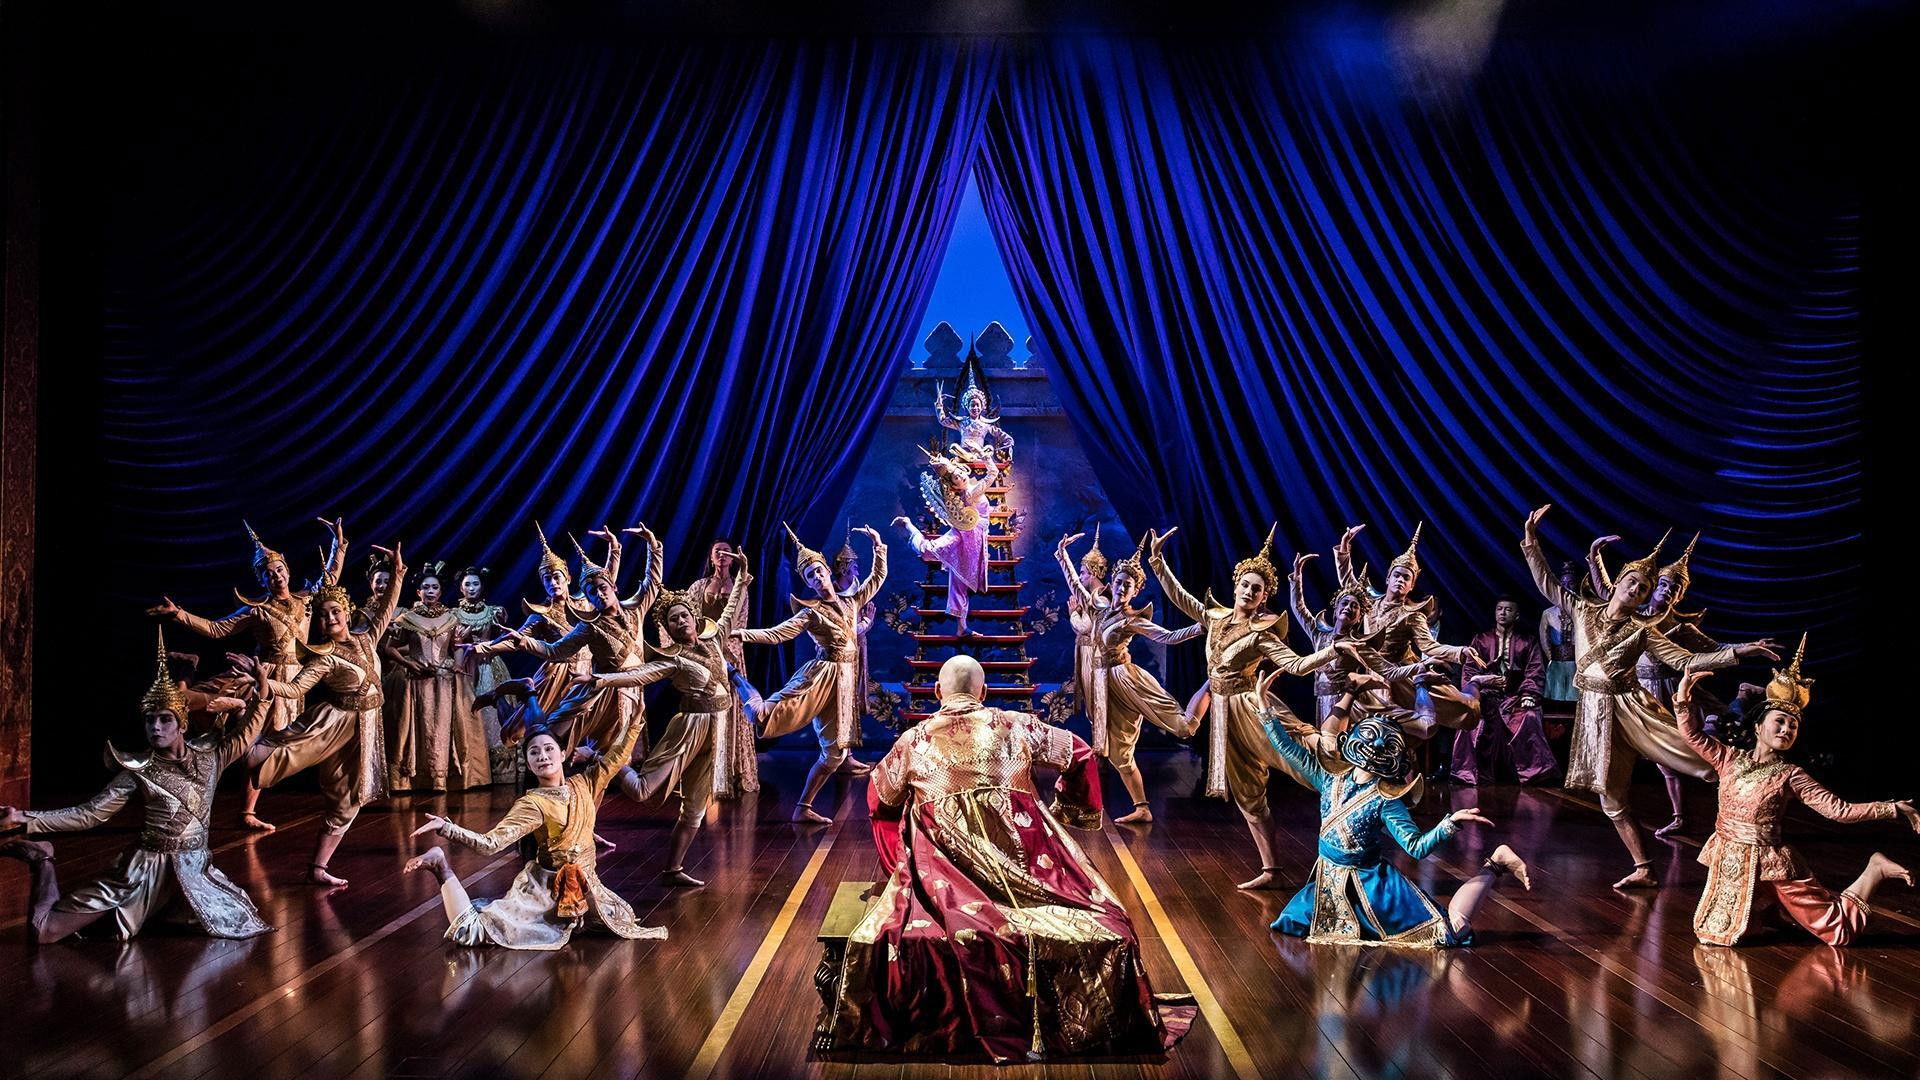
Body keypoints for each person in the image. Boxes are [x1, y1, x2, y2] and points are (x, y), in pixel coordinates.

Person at [825, 656, 1196, 1061]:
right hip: (1029, 873)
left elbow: (879, 799)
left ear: (936, 692)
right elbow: (1081, 753)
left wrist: (900, 857)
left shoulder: (913, 742)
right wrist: (1068, 810)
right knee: (1109, 921)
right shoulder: (1018, 725)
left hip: (945, 882)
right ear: (984, 692)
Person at [1521, 504, 1779, 888]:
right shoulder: (1582, 607)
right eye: (1633, 583)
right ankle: (1644, 867)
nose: (1637, 590)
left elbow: (1687, 659)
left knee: (1699, 760)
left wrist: (1742, 650)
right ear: (1619, 581)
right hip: (1593, 711)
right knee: (1611, 799)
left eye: (1643, 588)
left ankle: (1754, 797)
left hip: (1630, 707)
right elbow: (1546, 582)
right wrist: (1531, 539)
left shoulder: (1644, 630)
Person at [0, 630, 275, 942]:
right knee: (45, 932)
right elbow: (89, 814)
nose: (155, 727)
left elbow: (247, 732)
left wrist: (262, 685)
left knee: (237, 922)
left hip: (194, 870)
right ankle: (41, 859)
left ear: (182, 724)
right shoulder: (138, 771)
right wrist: (25, 818)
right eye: (149, 720)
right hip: (143, 871)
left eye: (164, 719)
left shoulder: (211, 755)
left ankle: (162, 909)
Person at [1145, 524, 1356, 890]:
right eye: (1245, 584)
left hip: (1251, 707)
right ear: (1236, 585)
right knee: (1248, 792)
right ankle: (1271, 869)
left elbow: (1296, 665)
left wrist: (1332, 649)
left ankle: (1353, 794)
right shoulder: (1215, 617)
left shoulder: (1263, 633)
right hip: (1223, 715)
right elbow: (1181, 598)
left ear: (1263, 597)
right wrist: (1158, 561)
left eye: (1256, 589)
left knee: (1302, 757)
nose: (1249, 591)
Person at [1259, 674, 1532, 947]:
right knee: (1290, 923)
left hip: (1372, 888)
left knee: (1450, 930)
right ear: (1352, 738)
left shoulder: (1387, 799)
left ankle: (1495, 863)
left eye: (1387, 744)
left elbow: (1415, 847)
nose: (1377, 745)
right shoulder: (1330, 778)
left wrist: (1450, 823)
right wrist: (1265, 708)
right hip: (1329, 881)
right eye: (1371, 736)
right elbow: (1288, 750)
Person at [1677, 644, 1918, 946]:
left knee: (1838, 933)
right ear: (1758, 726)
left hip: (1770, 863)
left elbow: (1838, 810)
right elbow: (1692, 735)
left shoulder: (1791, 775)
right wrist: (1683, 698)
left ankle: (1875, 869)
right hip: (1731, 858)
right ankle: (1770, 913)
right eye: (1779, 721)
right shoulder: (1729, 758)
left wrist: (1891, 808)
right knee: (1720, 933)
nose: (1786, 729)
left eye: (1793, 726)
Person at [402, 713, 668, 949]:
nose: (543, 756)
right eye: (534, 752)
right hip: (547, 892)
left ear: (563, 754)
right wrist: (448, 828)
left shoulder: (584, 783)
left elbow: (615, 759)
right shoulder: (532, 804)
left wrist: (635, 723)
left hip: (587, 887)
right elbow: (490, 844)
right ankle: (440, 866)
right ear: (528, 763)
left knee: (618, 921)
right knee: (470, 932)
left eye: (549, 749)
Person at [148, 517, 347, 828]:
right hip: (263, 678)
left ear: (288, 570)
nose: (276, 576)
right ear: (262, 580)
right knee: (250, 743)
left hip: (295, 681)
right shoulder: (257, 610)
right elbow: (216, 629)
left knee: (270, 746)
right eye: (269, 574)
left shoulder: (306, 600)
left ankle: (248, 811)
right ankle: (243, 811)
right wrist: (179, 614)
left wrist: (339, 545)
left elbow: (330, 579)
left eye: (279, 570)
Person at [577, 550, 754, 886]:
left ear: (694, 617)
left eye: (684, 615)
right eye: (673, 620)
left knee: (695, 809)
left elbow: (731, 608)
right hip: (690, 728)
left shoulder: (715, 638)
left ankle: (673, 869)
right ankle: (601, 755)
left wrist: (742, 576)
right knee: (642, 791)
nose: (681, 621)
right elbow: (639, 674)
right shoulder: (672, 658)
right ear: (669, 630)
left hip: (718, 729)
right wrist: (600, 679)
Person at [245, 543, 407, 885]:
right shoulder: (323, 655)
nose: (330, 618)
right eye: (322, 615)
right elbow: (295, 689)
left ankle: (318, 869)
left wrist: (396, 572)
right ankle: (219, 755)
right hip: (332, 723)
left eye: (335, 611)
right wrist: (264, 682)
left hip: (364, 730)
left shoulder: (367, 638)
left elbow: (388, 607)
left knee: (348, 801)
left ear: (346, 612)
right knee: (276, 751)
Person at [737, 524, 887, 823]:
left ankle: (803, 807)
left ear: (828, 571)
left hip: (845, 681)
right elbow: (778, 633)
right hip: (821, 678)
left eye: (819, 571)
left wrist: (878, 545)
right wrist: (743, 634)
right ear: (808, 582)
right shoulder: (810, 611)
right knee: (764, 715)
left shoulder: (851, 601)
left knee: (834, 755)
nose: (817, 578)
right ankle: (736, 679)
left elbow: (877, 577)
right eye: (810, 576)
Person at [1054, 531, 1202, 823]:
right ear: (1111, 584)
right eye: (1119, 582)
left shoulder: (1133, 620)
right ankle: (1142, 808)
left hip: (1126, 680)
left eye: (1128, 585)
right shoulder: (1100, 607)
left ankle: (1210, 688)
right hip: (1103, 684)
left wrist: (1199, 628)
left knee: (1183, 728)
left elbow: (1169, 637)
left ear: (1135, 591)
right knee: (1119, 755)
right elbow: (1076, 586)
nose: (1122, 588)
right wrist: (1062, 555)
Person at [384, 561, 490, 792]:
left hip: (444, 680)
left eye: (434, 588)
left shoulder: (450, 619)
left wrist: (458, 665)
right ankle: (412, 778)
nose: (430, 591)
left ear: (441, 592)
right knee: (417, 727)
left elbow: (457, 645)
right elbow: (390, 648)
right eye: (426, 588)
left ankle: (443, 778)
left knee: (444, 728)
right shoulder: (407, 619)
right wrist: (408, 663)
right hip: (416, 680)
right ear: (418, 592)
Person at [1455, 596, 1559, 785]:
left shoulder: (1527, 642)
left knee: (1528, 717)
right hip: (1485, 695)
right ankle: (1469, 772)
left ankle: (1531, 773)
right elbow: (1469, 670)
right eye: (1500, 609)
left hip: (1515, 696)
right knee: (1470, 720)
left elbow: (1535, 670)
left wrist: (1529, 694)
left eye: (1508, 609)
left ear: (1517, 615)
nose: (1503, 613)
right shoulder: (1481, 640)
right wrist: (1474, 691)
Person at [685, 540, 761, 798]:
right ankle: (704, 774)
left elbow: (741, 622)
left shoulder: (740, 588)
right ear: (710, 556)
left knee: (731, 711)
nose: (722, 555)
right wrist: (700, 648)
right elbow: (689, 619)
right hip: (703, 654)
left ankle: (732, 771)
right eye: (717, 551)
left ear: (733, 558)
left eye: (726, 551)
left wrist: (725, 652)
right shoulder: (699, 586)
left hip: (730, 655)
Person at [895, 446, 993, 637]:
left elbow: (990, 482)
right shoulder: (969, 493)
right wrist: (986, 458)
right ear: (953, 485)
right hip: (962, 534)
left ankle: (962, 628)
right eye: (955, 478)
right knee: (928, 551)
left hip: (975, 539)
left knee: (960, 582)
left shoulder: (971, 491)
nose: (961, 477)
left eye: (960, 473)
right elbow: (992, 474)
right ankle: (909, 526)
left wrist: (985, 457)